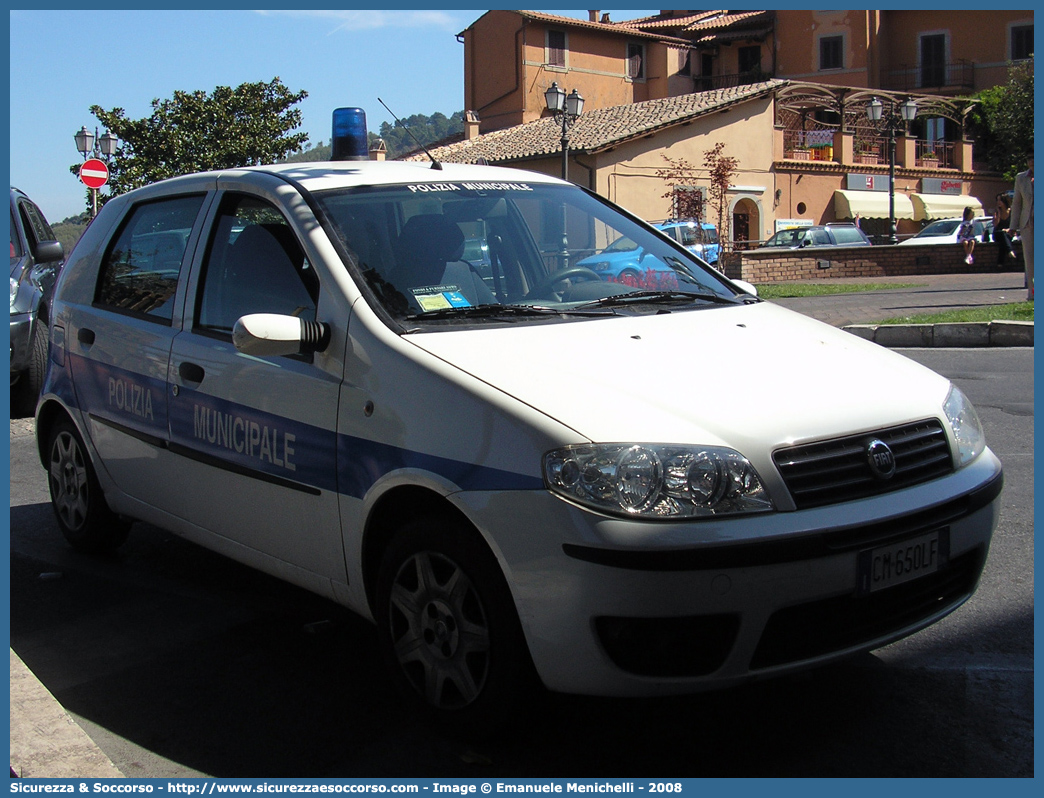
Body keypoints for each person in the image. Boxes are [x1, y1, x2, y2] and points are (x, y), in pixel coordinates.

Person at [1010, 155, 1034, 300]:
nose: (1031, 161)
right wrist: (1013, 226)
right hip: (1028, 224)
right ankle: (1033, 294)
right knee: (1030, 261)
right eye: (1029, 159)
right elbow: (1017, 203)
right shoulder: (1021, 178)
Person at [992, 192, 1015, 270]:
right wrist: (998, 214)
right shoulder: (997, 212)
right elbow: (995, 225)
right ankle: (1010, 251)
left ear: (1005, 201)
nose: (998, 202)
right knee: (1002, 234)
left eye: (1000, 200)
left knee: (1003, 243)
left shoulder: (1011, 211)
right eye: (997, 200)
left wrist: (1008, 229)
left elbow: (1014, 225)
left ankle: (1000, 263)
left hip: (1008, 233)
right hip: (997, 234)